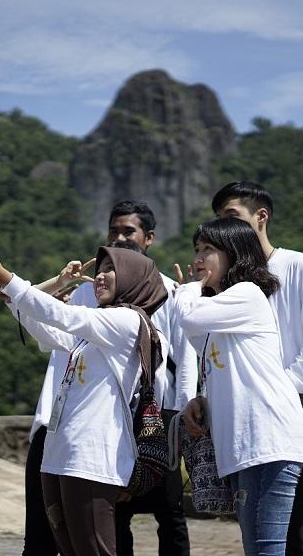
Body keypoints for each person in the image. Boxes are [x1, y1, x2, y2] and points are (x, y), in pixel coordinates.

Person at [20, 200, 196, 556]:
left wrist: (177, 415)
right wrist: (54, 283)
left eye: (128, 231)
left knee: (168, 512)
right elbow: (46, 326)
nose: (119, 238)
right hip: (75, 416)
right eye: (113, 231)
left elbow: (186, 356)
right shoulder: (90, 289)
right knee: (96, 521)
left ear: (148, 238)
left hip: (145, 417)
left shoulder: (168, 292)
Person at [0, 245, 167, 556]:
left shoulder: (128, 322)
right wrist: (16, 291)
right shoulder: (94, 333)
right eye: (98, 270)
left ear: (134, 278)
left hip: (89, 459)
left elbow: (62, 314)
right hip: (62, 455)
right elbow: (39, 323)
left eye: (110, 269)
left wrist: (7, 279)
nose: (99, 277)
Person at [212, 181, 303, 556]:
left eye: (232, 217)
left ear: (261, 217)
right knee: (257, 525)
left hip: (291, 410)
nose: (225, 228)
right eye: (220, 220)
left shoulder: (298, 265)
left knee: (296, 524)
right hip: (242, 416)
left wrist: (282, 393)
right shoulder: (228, 280)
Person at [175, 216, 303, 556]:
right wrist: (201, 398)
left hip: (267, 442)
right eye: (197, 250)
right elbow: (202, 343)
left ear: (234, 254)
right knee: (259, 549)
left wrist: (188, 289)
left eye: (208, 249)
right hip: (247, 447)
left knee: (265, 549)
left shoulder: (247, 294)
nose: (198, 259)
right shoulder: (222, 312)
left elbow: (188, 317)